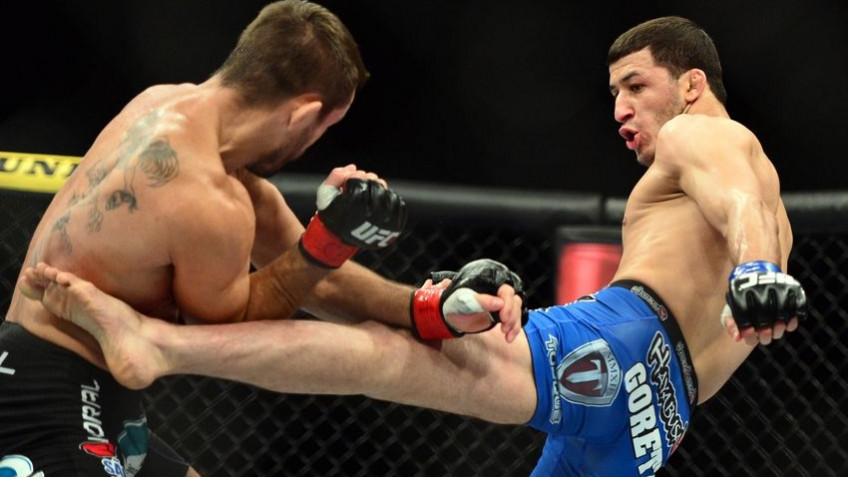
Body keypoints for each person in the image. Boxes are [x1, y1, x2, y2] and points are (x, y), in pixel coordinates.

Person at [17, 16, 808, 477]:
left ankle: (155, 347)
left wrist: (756, 271)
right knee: (407, 346)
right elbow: (751, 209)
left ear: (692, 84)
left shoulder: (703, 135)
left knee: (385, 358)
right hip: (656, 415)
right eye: (612, 93)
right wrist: (426, 303)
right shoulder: (211, 180)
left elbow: (739, 195)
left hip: (624, 354)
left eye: (635, 85)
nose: (619, 109)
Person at [0, 1, 524, 476]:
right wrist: (326, 243)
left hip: (77, 387)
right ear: (303, 113)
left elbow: (317, 280)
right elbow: (227, 329)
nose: (314, 143)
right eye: (323, 127)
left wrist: (427, 307)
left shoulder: (162, 106)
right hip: (51, 404)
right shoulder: (207, 198)